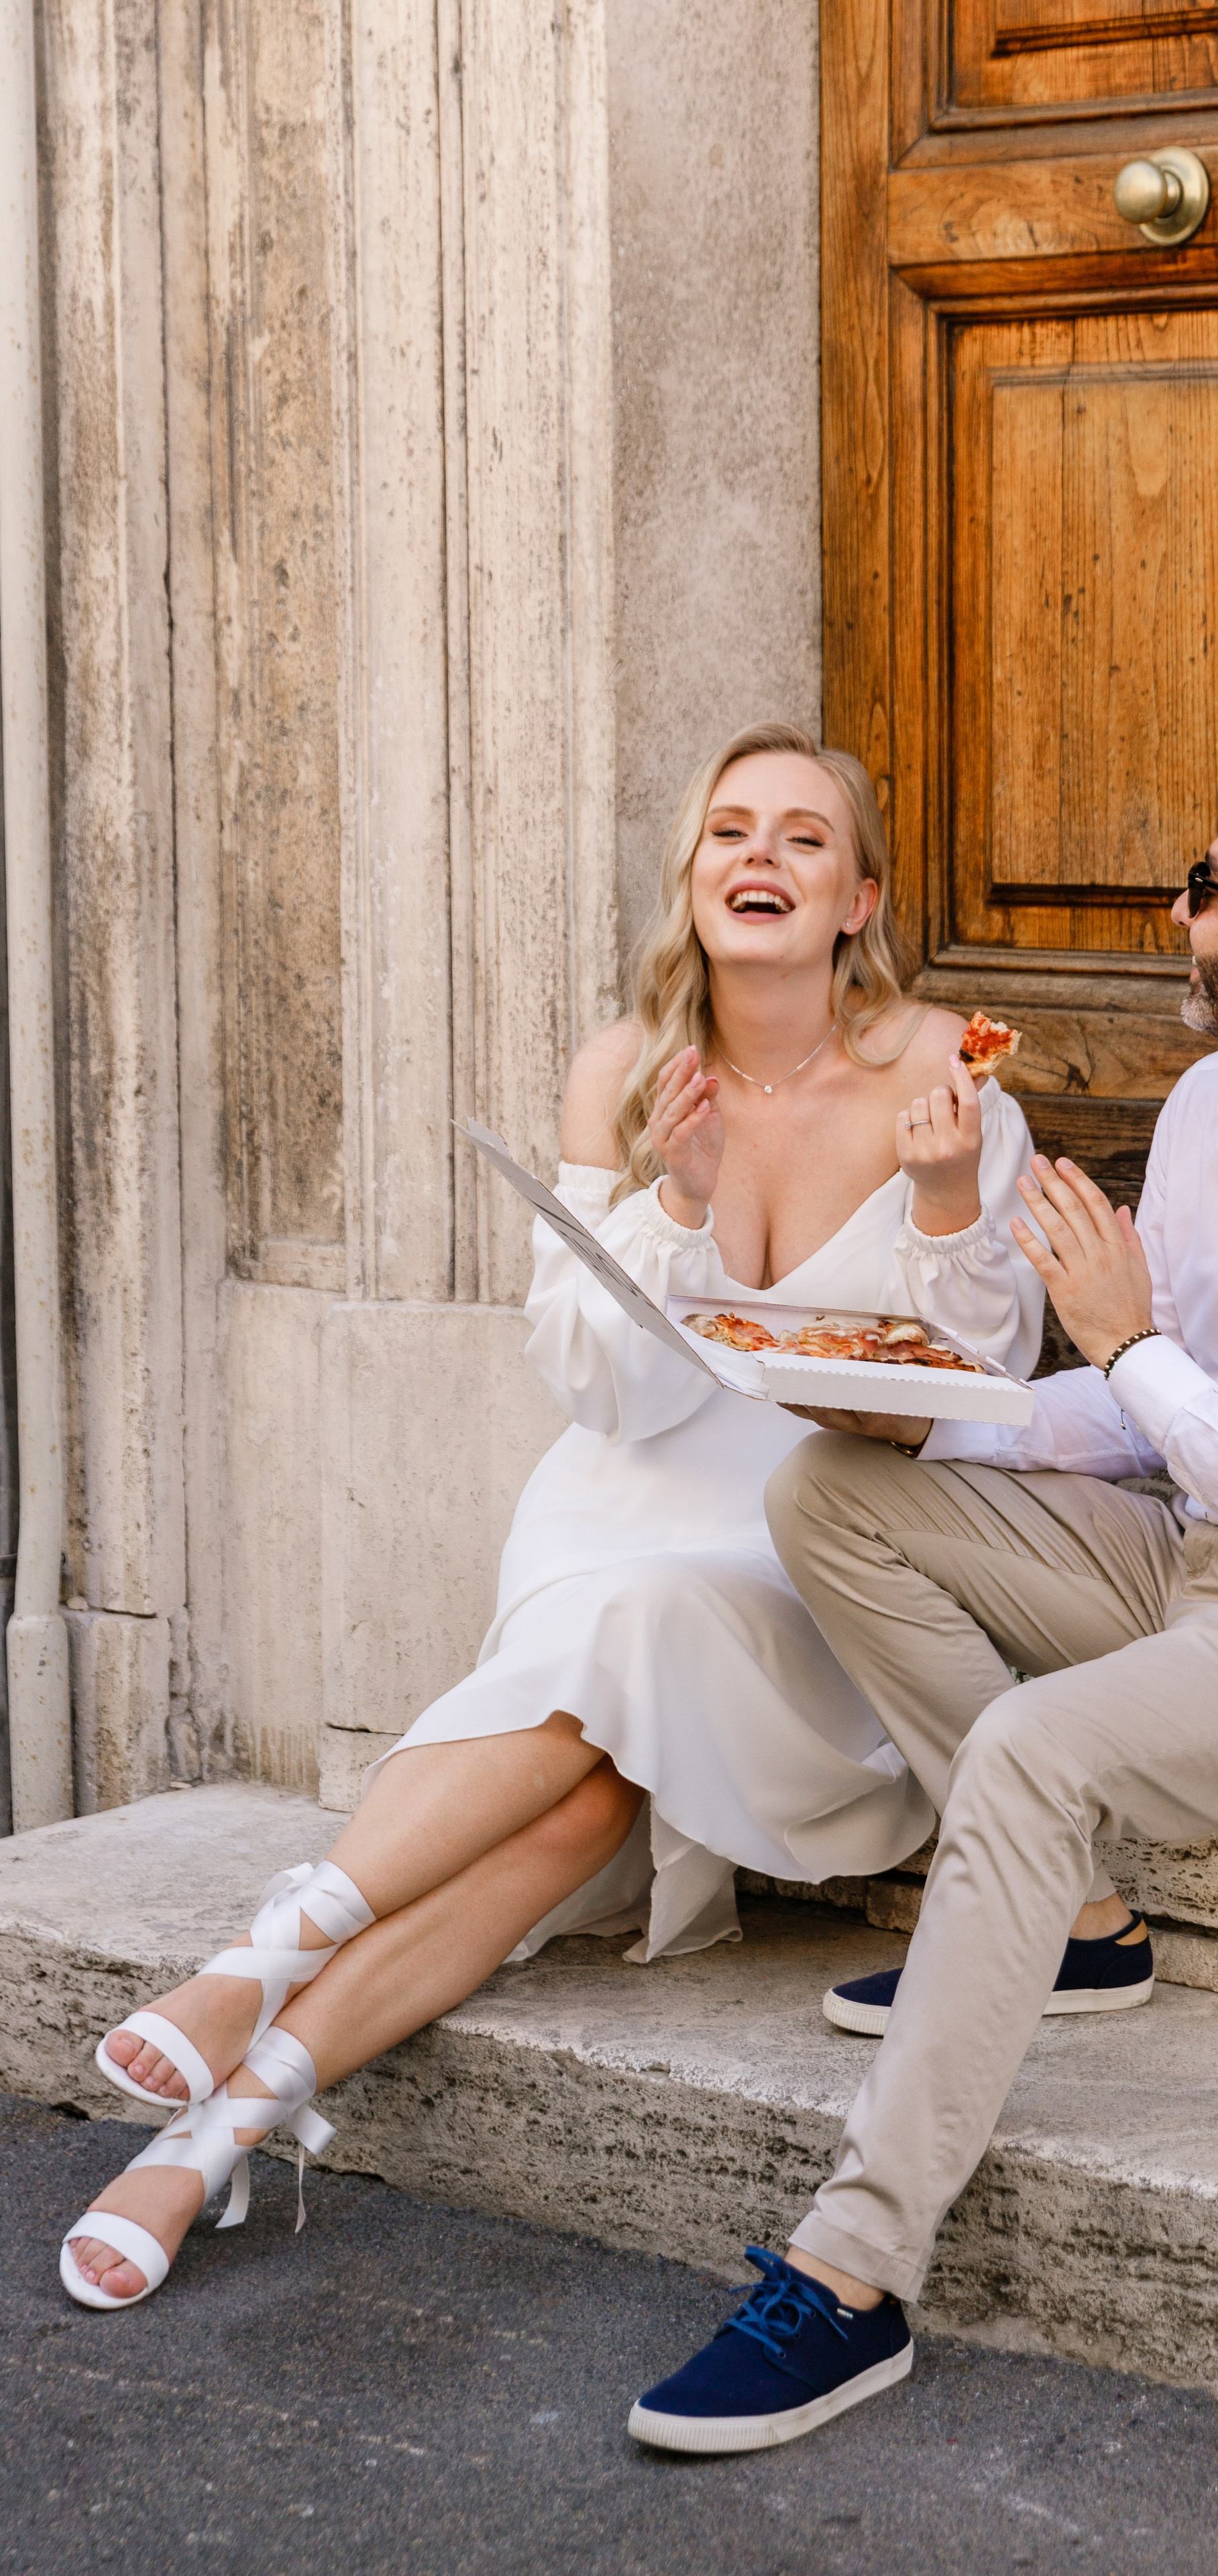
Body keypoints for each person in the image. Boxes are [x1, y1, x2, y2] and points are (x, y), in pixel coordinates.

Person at [628, 743, 1218, 2455]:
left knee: (1039, 1757)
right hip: (1205, 1560)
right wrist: (940, 1416)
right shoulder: (1215, 1116)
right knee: (832, 1495)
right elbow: (1151, 1422)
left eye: (1204, 890)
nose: (1174, 914)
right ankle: (1065, 1928)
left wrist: (1123, 1339)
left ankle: (850, 2279)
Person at [60, 720, 1047, 2311]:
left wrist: (943, 1204)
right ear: (691, 874)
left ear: (859, 898)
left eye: (803, 838)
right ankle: (218, 2130)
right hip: (620, 1499)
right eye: (729, 831)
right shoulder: (624, 1071)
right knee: (583, 1805)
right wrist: (672, 1192)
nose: (759, 859)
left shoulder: (943, 1068)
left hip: (804, 1540)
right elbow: (604, 1390)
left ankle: (263, 1955)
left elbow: (974, 1382)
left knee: (629, 1651)